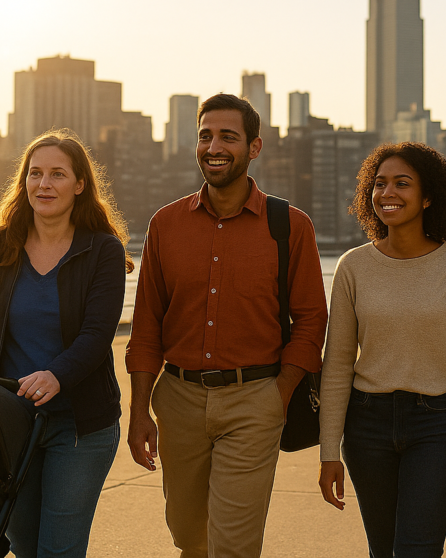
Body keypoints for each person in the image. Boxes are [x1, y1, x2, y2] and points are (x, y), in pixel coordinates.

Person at [126, 93, 328, 558]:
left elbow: (313, 319)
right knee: (188, 534)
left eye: (228, 137)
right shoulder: (166, 224)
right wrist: (140, 412)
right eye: (205, 135)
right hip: (177, 400)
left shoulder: (291, 226)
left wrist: (277, 395)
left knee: (232, 544)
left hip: (254, 398)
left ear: (254, 147)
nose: (213, 146)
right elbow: (146, 328)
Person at [0, 129, 130, 558]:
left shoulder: (102, 250)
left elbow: (96, 334)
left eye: (57, 174)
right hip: (11, 419)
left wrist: (57, 374)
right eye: (35, 173)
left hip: (79, 424)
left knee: (58, 550)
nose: (44, 184)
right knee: (23, 544)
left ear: (79, 185)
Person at [317, 142, 446, 556]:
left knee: (417, 549)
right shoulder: (353, 267)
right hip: (366, 426)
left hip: (437, 424)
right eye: (379, 184)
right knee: (383, 551)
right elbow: (338, 364)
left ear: (429, 196)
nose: (388, 193)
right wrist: (330, 451)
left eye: (403, 183)